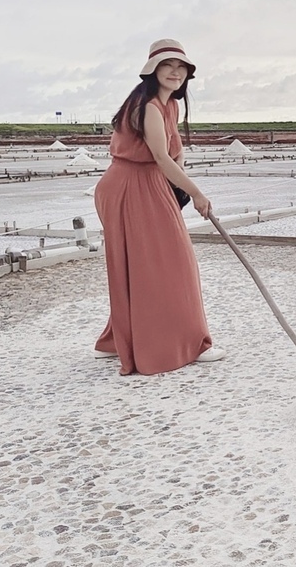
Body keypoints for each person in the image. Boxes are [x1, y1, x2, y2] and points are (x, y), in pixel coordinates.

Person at [92, 39, 225, 374]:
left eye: (181, 67)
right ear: (153, 70)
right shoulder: (148, 105)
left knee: (144, 266)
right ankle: (187, 344)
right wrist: (196, 193)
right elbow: (161, 157)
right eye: (168, 65)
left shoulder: (170, 106)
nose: (175, 72)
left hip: (144, 184)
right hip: (130, 186)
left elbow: (173, 151)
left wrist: (178, 181)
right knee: (170, 263)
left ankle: (117, 340)